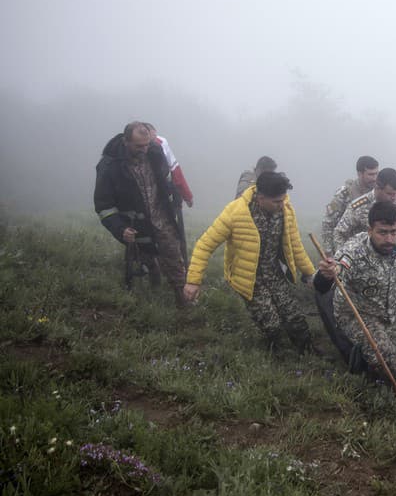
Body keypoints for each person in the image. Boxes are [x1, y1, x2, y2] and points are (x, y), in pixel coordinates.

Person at [183, 172, 317, 354]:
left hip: (275, 274)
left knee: (294, 316)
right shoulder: (235, 212)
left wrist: (309, 273)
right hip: (249, 279)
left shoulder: (285, 209)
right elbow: (204, 245)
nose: (282, 204)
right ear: (260, 198)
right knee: (271, 323)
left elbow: (294, 244)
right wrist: (193, 281)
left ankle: (308, 351)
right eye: (276, 202)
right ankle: (277, 354)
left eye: (283, 200)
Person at [314, 201, 396, 392]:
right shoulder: (353, 250)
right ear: (370, 230)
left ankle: (362, 362)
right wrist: (327, 273)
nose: (389, 239)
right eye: (382, 232)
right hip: (356, 314)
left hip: (388, 314)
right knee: (386, 358)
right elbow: (326, 279)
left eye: (393, 232)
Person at [94, 121, 188, 305]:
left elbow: (165, 177)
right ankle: (152, 292)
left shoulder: (154, 152)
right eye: (139, 146)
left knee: (174, 255)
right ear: (126, 141)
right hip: (135, 226)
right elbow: (104, 205)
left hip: (162, 219)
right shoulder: (110, 166)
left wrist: (174, 193)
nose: (144, 149)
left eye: (146, 145)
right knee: (146, 259)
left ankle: (182, 299)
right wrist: (120, 229)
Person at [332, 167, 396, 275]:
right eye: (389, 194)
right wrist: (344, 259)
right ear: (377, 187)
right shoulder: (358, 207)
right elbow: (339, 233)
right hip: (369, 267)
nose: (394, 197)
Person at [321, 156, 379, 255]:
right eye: (370, 174)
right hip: (348, 250)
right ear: (360, 173)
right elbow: (328, 223)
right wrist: (329, 252)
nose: (374, 178)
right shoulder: (344, 194)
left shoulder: (379, 192)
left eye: (376, 173)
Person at [143, 122, 194, 208]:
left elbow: (175, 171)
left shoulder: (162, 142)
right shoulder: (136, 147)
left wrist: (187, 195)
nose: (153, 142)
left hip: (165, 190)